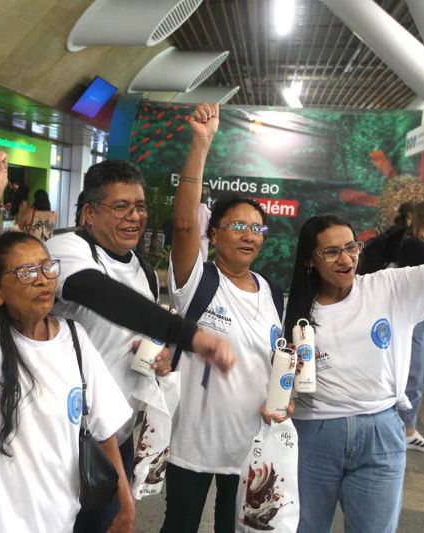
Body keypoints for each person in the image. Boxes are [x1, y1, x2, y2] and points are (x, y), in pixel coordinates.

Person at [283, 165, 424, 533]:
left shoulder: (389, 287)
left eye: (351, 247)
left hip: (380, 433)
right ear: (309, 260)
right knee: (306, 527)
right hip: (313, 435)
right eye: (331, 252)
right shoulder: (293, 309)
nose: (346, 259)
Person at [0, 145, 134, 532]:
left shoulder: (75, 340)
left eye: (47, 268)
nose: (44, 280)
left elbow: (103, 430)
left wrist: (126, 502)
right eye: (27, 273)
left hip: (55, 522)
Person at [45, 159, 234, 533]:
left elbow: (135, 333)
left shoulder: (142, 269)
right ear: (89, 213)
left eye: (140, 206)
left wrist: (158, 358)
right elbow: (104, 296)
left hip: (116, 435)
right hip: (63, 435)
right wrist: (190, 335)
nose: (135, 216)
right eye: (121, 207)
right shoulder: (66, 249)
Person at [161, 103, 290, 533]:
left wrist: (284, 398)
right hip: (194, 442)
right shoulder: (197, 280)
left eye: (257, 228)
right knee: (179, 527)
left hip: (251, 443)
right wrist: (202, 142)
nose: (250, 235)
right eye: (237, 226)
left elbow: (272, 363)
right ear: (213, 234)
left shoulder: (271, 291)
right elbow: (184, 225)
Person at [396, 202, 424, 453]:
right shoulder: (416, 245)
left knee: (418, 373)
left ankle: (407, 429)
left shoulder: (418, 243)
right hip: (413, 315)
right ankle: (405, 431)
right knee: (413, 375)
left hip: (419, 315)